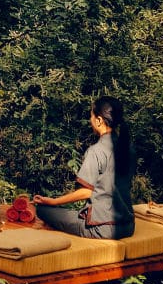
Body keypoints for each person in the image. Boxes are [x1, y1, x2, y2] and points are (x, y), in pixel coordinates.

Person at [34, 96, 135, 239]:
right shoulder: (129, 149)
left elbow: (86, 192)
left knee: (43, 210)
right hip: (128, 226)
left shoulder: (96, 150)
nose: (90, 121)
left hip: (102, 228)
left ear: (99, 120)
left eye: (91, 116)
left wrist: (53, 201)